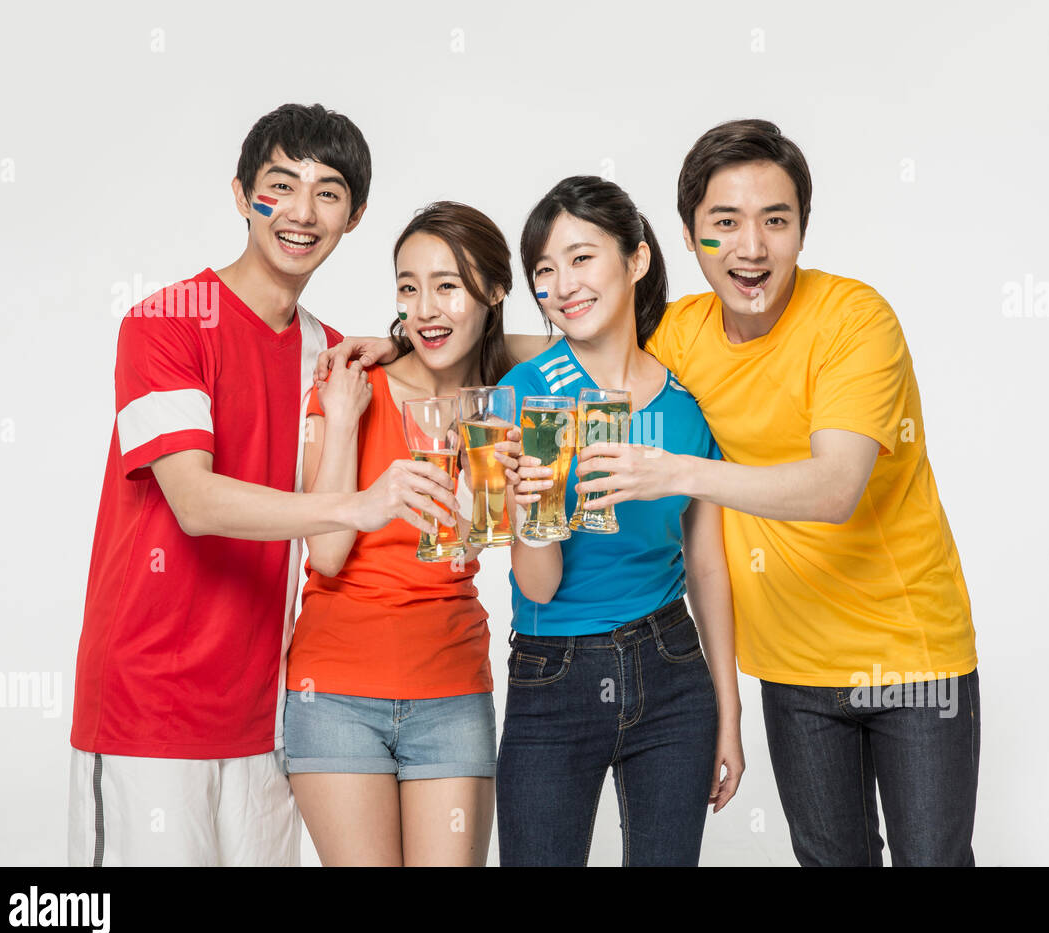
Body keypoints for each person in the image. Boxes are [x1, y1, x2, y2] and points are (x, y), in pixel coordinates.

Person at [576, 120, 981, 866]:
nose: (751, 248)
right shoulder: (683, 331)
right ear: (691, 235)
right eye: (723, 224)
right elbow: (580, 349)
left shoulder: (855, 320)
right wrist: (421, 341)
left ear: (803, 229)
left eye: (775, 221)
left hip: (911, 657)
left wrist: (678, 472)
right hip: (793, 669)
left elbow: (834, 488)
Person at [67, 104, 463, 867]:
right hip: (148, 714)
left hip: (269, 720)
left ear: (355, 216)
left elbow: (497, 344)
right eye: (280, 185)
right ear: (243, 193)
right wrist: (358, 501)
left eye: (329, 192)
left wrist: (406, 338)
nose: (302, 212)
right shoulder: (165, 323)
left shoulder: (326, 351)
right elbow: (196, 500)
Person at [491, 176, 743, 866]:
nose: (561, 284)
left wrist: (730, 709)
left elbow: (708, 566)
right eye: (543, 270)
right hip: (555, 674)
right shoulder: (527, 395)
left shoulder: (690, 407)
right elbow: (537, 588)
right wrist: (532, 509)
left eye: (581, 257)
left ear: (637, 259)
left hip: (673, 671)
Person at [284, 201, 525, 866]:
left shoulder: (507, 401)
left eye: (448, 286)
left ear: (495, 290)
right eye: (409, 289)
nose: (425, 308)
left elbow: (584, 342)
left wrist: (429, 339)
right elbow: (327, 553)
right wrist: (339, 418)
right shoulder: (351, 388)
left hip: (451, 691)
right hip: (333, 695)